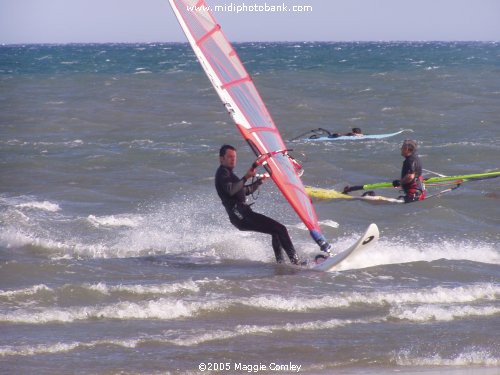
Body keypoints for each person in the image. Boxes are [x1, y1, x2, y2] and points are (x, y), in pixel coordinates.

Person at [215, 144, 303, 265]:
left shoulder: (229, 174)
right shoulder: (222, 173)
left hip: (242, 215)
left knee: (276, 232)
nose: (233, 159)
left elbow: (245, 191)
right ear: (221, 159)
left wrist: (261, 180)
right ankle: (296, 263)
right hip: (241, 215)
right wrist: (246, 177)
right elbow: (231, 190)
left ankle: (281, 264)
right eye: (229, 157)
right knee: (281, 229)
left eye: (234, 157)